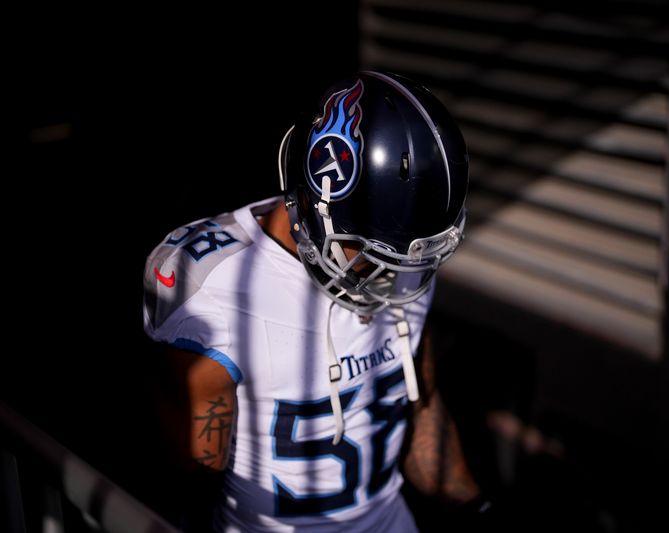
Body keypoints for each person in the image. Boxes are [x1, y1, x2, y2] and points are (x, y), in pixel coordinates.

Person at [143, 71, 486, 532]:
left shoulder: (404, 260)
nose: (395, 276)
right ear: (316, 205)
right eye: (372, 255)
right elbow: (187, 480)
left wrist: (477, 509)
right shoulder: (212, 284)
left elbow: (421, 403)